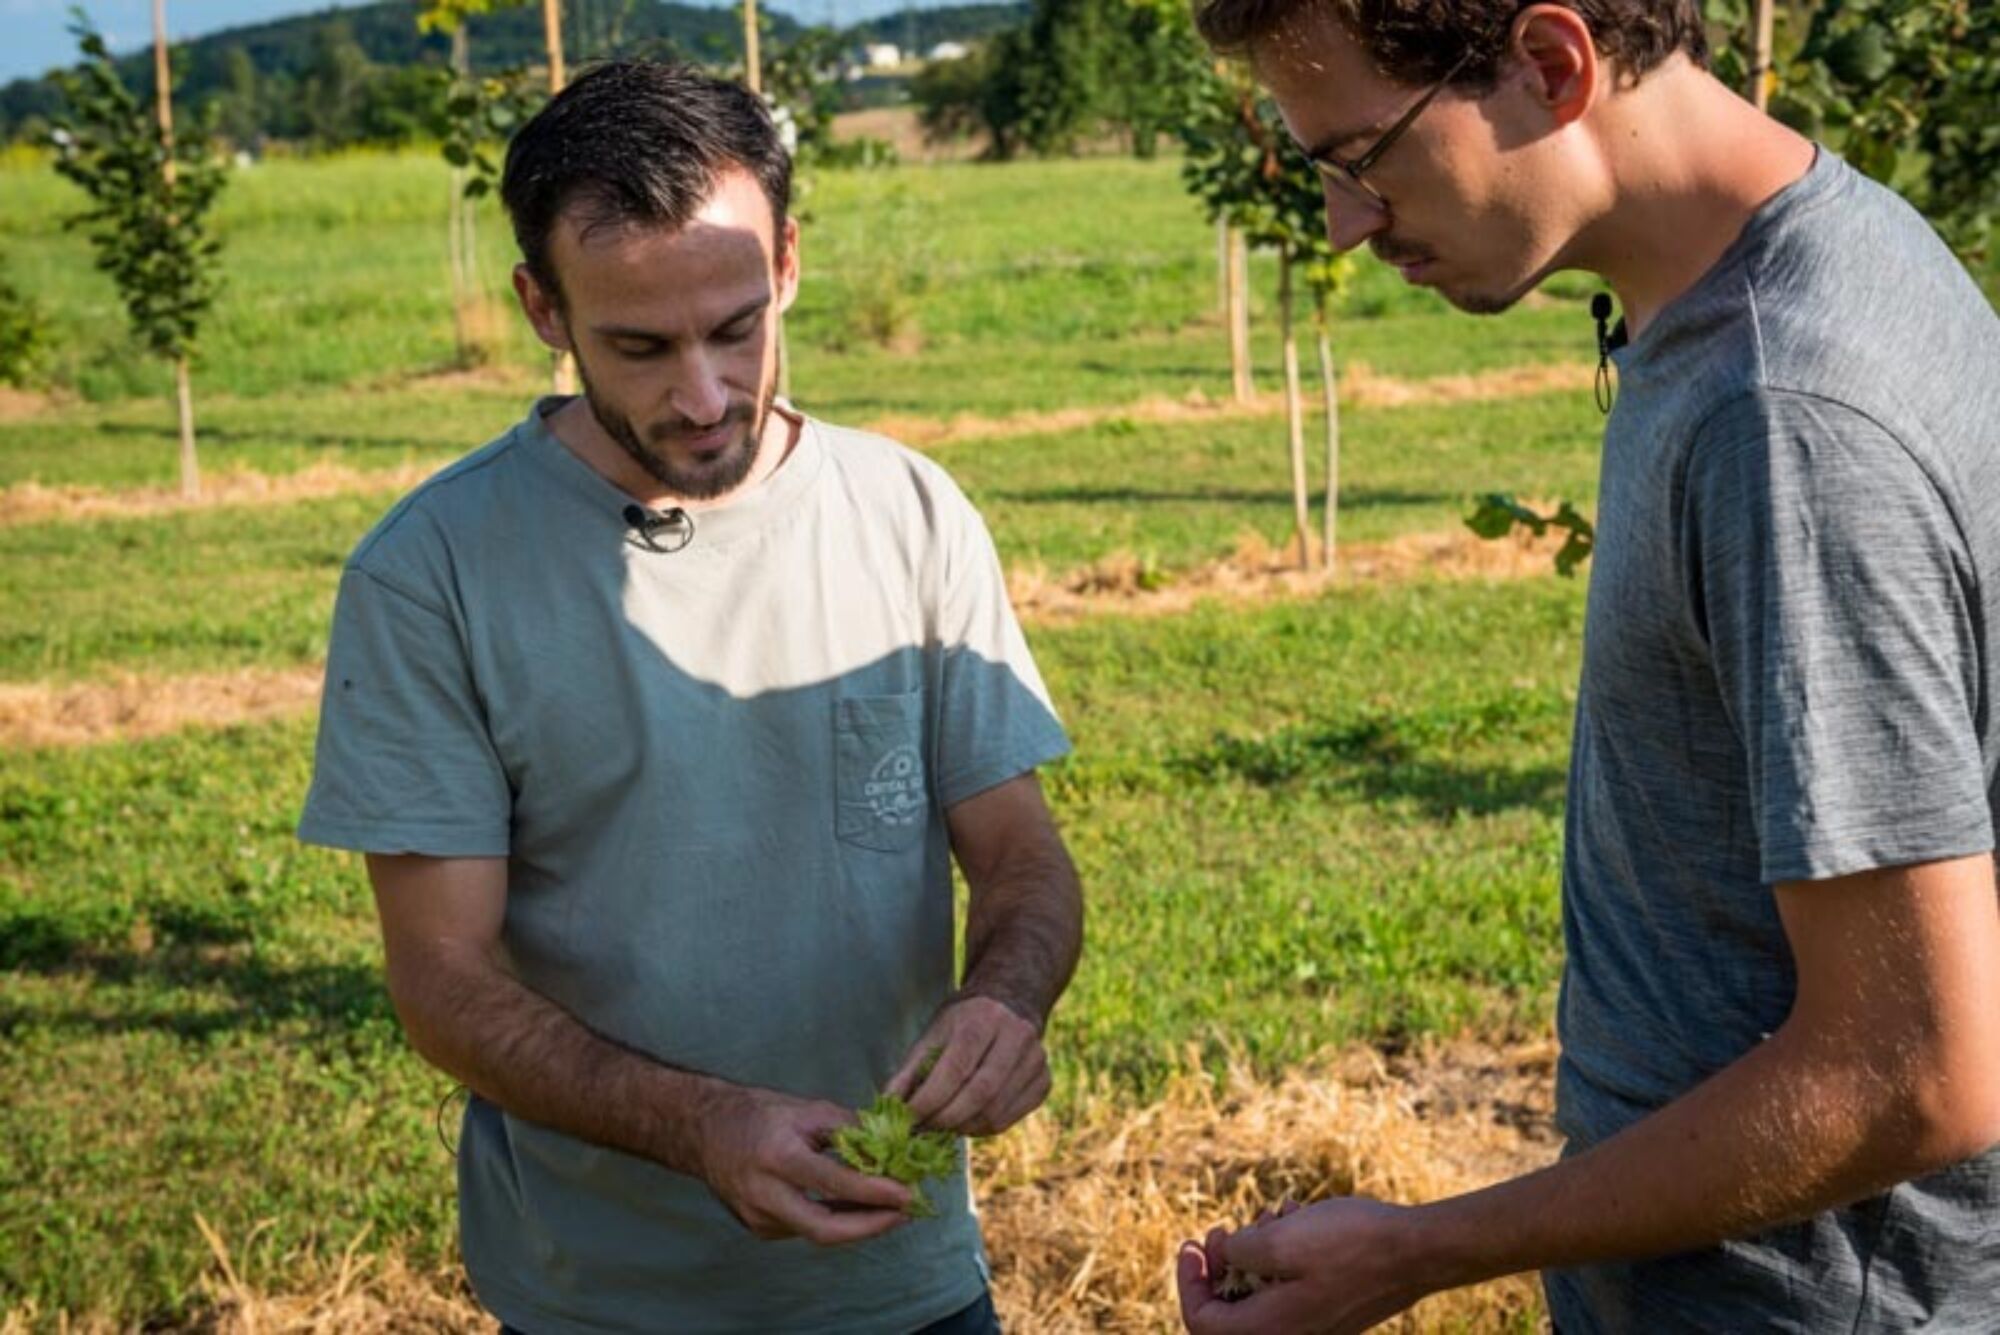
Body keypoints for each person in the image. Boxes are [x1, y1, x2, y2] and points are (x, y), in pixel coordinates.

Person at [1173, 2, 2000, 1331]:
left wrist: (1421, 1247)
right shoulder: (1810, 252)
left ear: (1551, 65)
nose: (1346, 223)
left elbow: (1915, 1065)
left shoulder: (1784, 414)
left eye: (1363, 158)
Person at [297, 60, 1083, 1335]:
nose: (705, 396)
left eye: (733, 328)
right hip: (602, 1297)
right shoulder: (429, 572)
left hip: (908, 1283)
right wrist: (699, 1125)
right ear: (541, 308)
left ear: (785, 262)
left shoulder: (910, 510)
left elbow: (1020, 858)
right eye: (639, 347)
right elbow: (440, 976)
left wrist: (1006, 995)